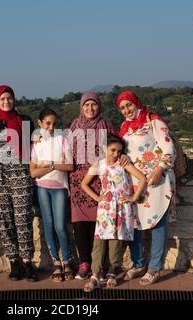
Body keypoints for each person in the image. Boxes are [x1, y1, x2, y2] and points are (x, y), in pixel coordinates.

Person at [117, 91, 176, 285]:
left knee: (158, 223)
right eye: (123, 108)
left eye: (129, 105)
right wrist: (122, 157)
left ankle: (154, 268)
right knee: (135, 225)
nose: (127, 110)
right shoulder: (124, 128)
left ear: (136, 103)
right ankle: (138, 263)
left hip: (156, 181)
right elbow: (120, 151)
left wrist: (159, 170)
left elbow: (169, 148)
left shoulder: (153, 121)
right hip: (135, 184)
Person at [0, 85, 38, 282]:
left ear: (14, 99)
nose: (6, 102)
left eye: (9, 98)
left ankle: (27, 262)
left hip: (21, 176)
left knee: (23, 219)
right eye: (2, 99)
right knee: (5, 220)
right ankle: (14, 262)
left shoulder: (24, 120)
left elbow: (33, 150)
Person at [81, 133, 146, 292]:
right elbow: (84, 184)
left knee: (116, 241)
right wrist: (97, 197)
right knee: (100, 241)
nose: (116, 154)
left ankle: (111, 271)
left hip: (121, 209)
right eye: (112, 150)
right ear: (105, 148)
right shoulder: (99, 164)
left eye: (119, 151)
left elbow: (142, 178)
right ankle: (95, 275)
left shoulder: (123, 164)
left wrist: (132, 197)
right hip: (105, 209)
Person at [68, 92, 119, 280]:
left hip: (102, 181)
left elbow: (118, 147)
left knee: (101, 224)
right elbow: (66, 152)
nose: (90, 108)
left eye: (94, 105)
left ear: (99, 106)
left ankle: (101, 265)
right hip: (78, 182)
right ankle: (85, 263)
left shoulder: (107, 126)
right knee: (80, 225)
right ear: (81, 107)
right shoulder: (73, 126)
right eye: (86, 105)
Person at [30, 108, 74, 282]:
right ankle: (57, 263)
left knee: (60, 226)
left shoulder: (62, 140)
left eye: (54, 124)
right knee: (48, 225)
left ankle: (67, 261)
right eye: (47, 123)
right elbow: (33, 173)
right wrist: (55, 164)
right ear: (40, 123)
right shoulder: (36, 144)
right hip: (41, 188)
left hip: (59, 188)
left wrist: (48, 165)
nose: (51, 127)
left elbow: (70, 166)